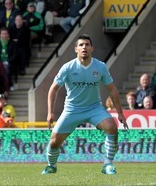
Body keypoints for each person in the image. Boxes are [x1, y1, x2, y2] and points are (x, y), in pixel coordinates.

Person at [42, 34, 127, 175]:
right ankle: (51, 166)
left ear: (92, 48)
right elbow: (53, 89)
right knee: (54, 141)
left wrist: (120, 113)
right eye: (81, 45)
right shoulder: (68, 68)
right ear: (76, 49)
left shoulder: (100, 67)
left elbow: (112, 90)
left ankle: (108, 165)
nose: (84, 47)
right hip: (72, 110)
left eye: (87, 44)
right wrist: (50, 113)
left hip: (94, 108)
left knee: (112, 128)